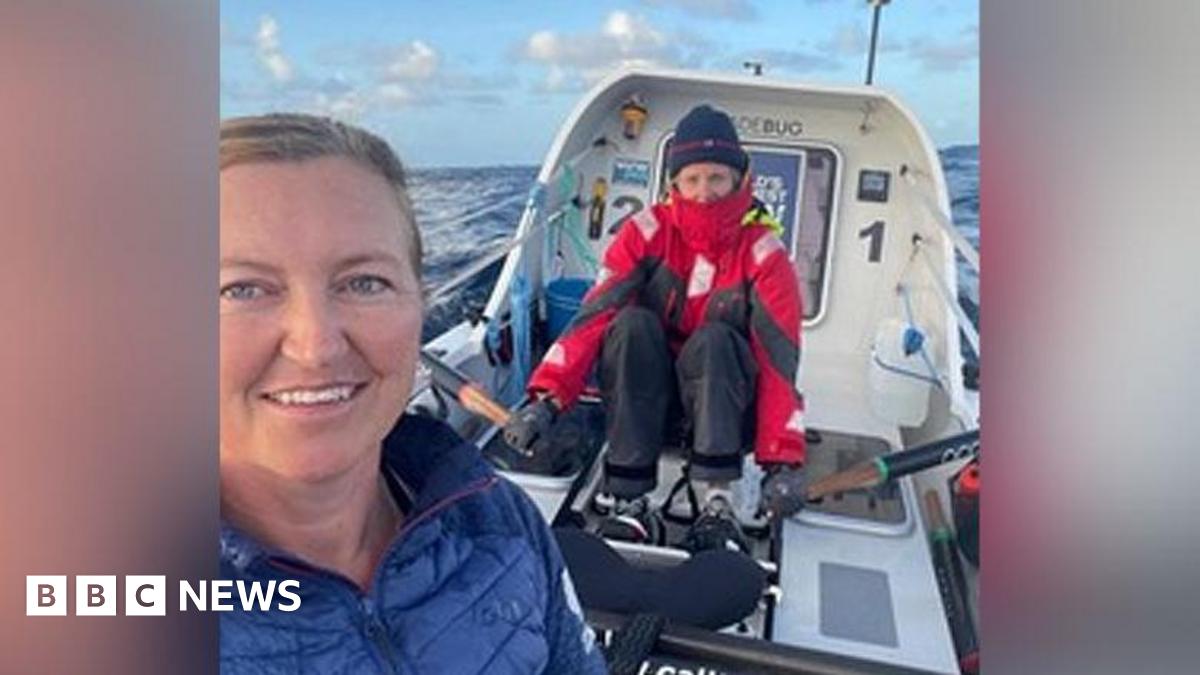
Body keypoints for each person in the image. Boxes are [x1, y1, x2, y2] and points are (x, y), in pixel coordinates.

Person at [219, 113, 605, 674]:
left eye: (364, 283)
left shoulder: (492, 514)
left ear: (418, 304)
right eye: (242, 289)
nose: (316, 345)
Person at [505, 104, 810, 552]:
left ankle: (718, 506)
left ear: (740, 179)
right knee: (629, 325)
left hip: (728, 410)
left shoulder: (765, 254)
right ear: (674, 184)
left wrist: (783, 461)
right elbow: (595, 316)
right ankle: (630, 501)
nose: (704, 192)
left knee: (715, 341)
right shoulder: (645, 233)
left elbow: (779, 363)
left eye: (716, 178)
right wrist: (545, 398)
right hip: (651, 407)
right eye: (692, 179)